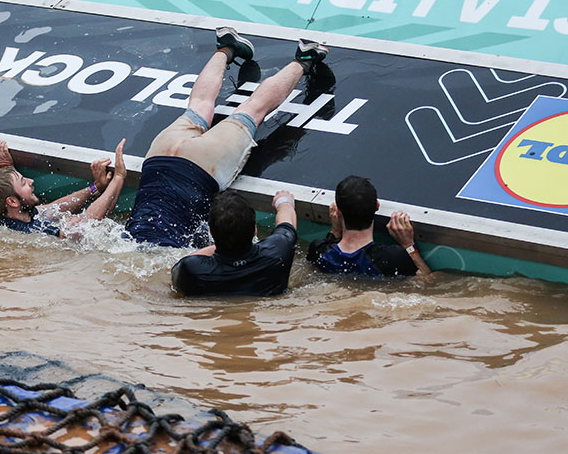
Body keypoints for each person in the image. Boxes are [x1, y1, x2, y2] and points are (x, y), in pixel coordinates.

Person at [125, 26, 327, 249]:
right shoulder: (125, 242)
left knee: (253, 110)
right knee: (199, 105)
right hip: (159, 156)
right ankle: (225, 48)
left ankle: (304, 59)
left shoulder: (167, 254)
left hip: (202, 167)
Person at [0, 140, 127, 237]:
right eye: (23, 183)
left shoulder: (4, 217)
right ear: (12, 202)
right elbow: (88, 223)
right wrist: (119, 177)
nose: (31, 181)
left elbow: (53, 208)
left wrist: (96, 188)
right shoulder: (35, 233)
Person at [171, 189, 297, 297]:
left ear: (210, 232)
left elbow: (176, 271)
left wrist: (226, 239)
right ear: (255, 230)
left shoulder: (192, 269)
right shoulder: (278, 250)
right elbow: (287, 224)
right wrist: (284, 201)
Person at [307, 175, 431, 277]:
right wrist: (409, 245)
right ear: (377, 206)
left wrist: (335, 231)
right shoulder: (392, 258)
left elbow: (329, 253)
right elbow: (426, 282)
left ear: (338, 212)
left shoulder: (318, 250)